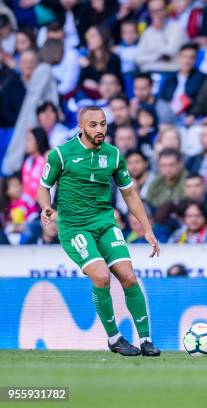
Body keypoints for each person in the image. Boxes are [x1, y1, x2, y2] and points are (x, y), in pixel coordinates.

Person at [37, 106, 161, 356]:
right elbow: (43, 186)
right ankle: (114, 338)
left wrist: (147, 229)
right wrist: (46, 207)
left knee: (128, 276)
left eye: (103, 124)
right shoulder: (61, 154)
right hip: (74, 227)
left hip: (105, 223)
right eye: (93, 125)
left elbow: (129, 193)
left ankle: (146, 340)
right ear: (81, 127)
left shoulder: (114, 155)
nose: (100, 129)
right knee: (102, 277)